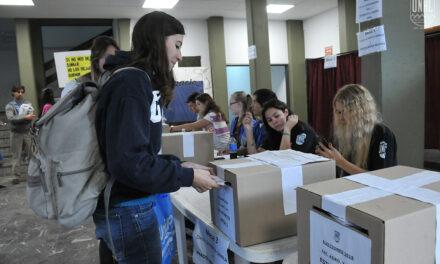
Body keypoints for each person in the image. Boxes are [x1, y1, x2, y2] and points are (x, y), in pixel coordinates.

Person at [94, 11, 219, 263]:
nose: (179, 55)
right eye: (177, 45)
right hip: (131, 209)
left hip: (134, 205)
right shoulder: (131, 82)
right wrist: (186, 176)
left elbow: (140, 152)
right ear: (156, 40)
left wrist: (178, 165)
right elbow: (129, 163)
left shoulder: (139, 80)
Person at [316, 84, 397, 176]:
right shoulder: (345, 134)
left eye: (347, 111)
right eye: (339, 112)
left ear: (361, 111)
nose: (341, 118)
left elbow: (381, 178)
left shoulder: (382, 134)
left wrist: (340, 162)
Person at [5, 85, 36, 184]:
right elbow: (11, 118)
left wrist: (29, 118)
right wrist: (25, 117)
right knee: (16, 155)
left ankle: (34, 173)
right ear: (13, 93)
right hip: (16, 133)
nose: (20, 94)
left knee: (31, 154)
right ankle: (16, 176)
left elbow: (31, 115)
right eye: (18, 92)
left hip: (26, 132)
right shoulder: (10, 105)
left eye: (22, 92)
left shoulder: (27, 103)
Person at [242, 88, 278, 154]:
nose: (251, 105)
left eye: (254, 101)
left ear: (264, 103)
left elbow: (258, 154)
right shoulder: (258, 124)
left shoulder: (274, 126)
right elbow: (252, 149)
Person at [228, 91, 264, 156]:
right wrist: (229, 150)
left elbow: (248, 147)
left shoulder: (251, 122)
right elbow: (232, 140)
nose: (229, 107)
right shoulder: (234, 121)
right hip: (236, 156)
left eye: (231, 104)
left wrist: (232, 151)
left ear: (239, 104)